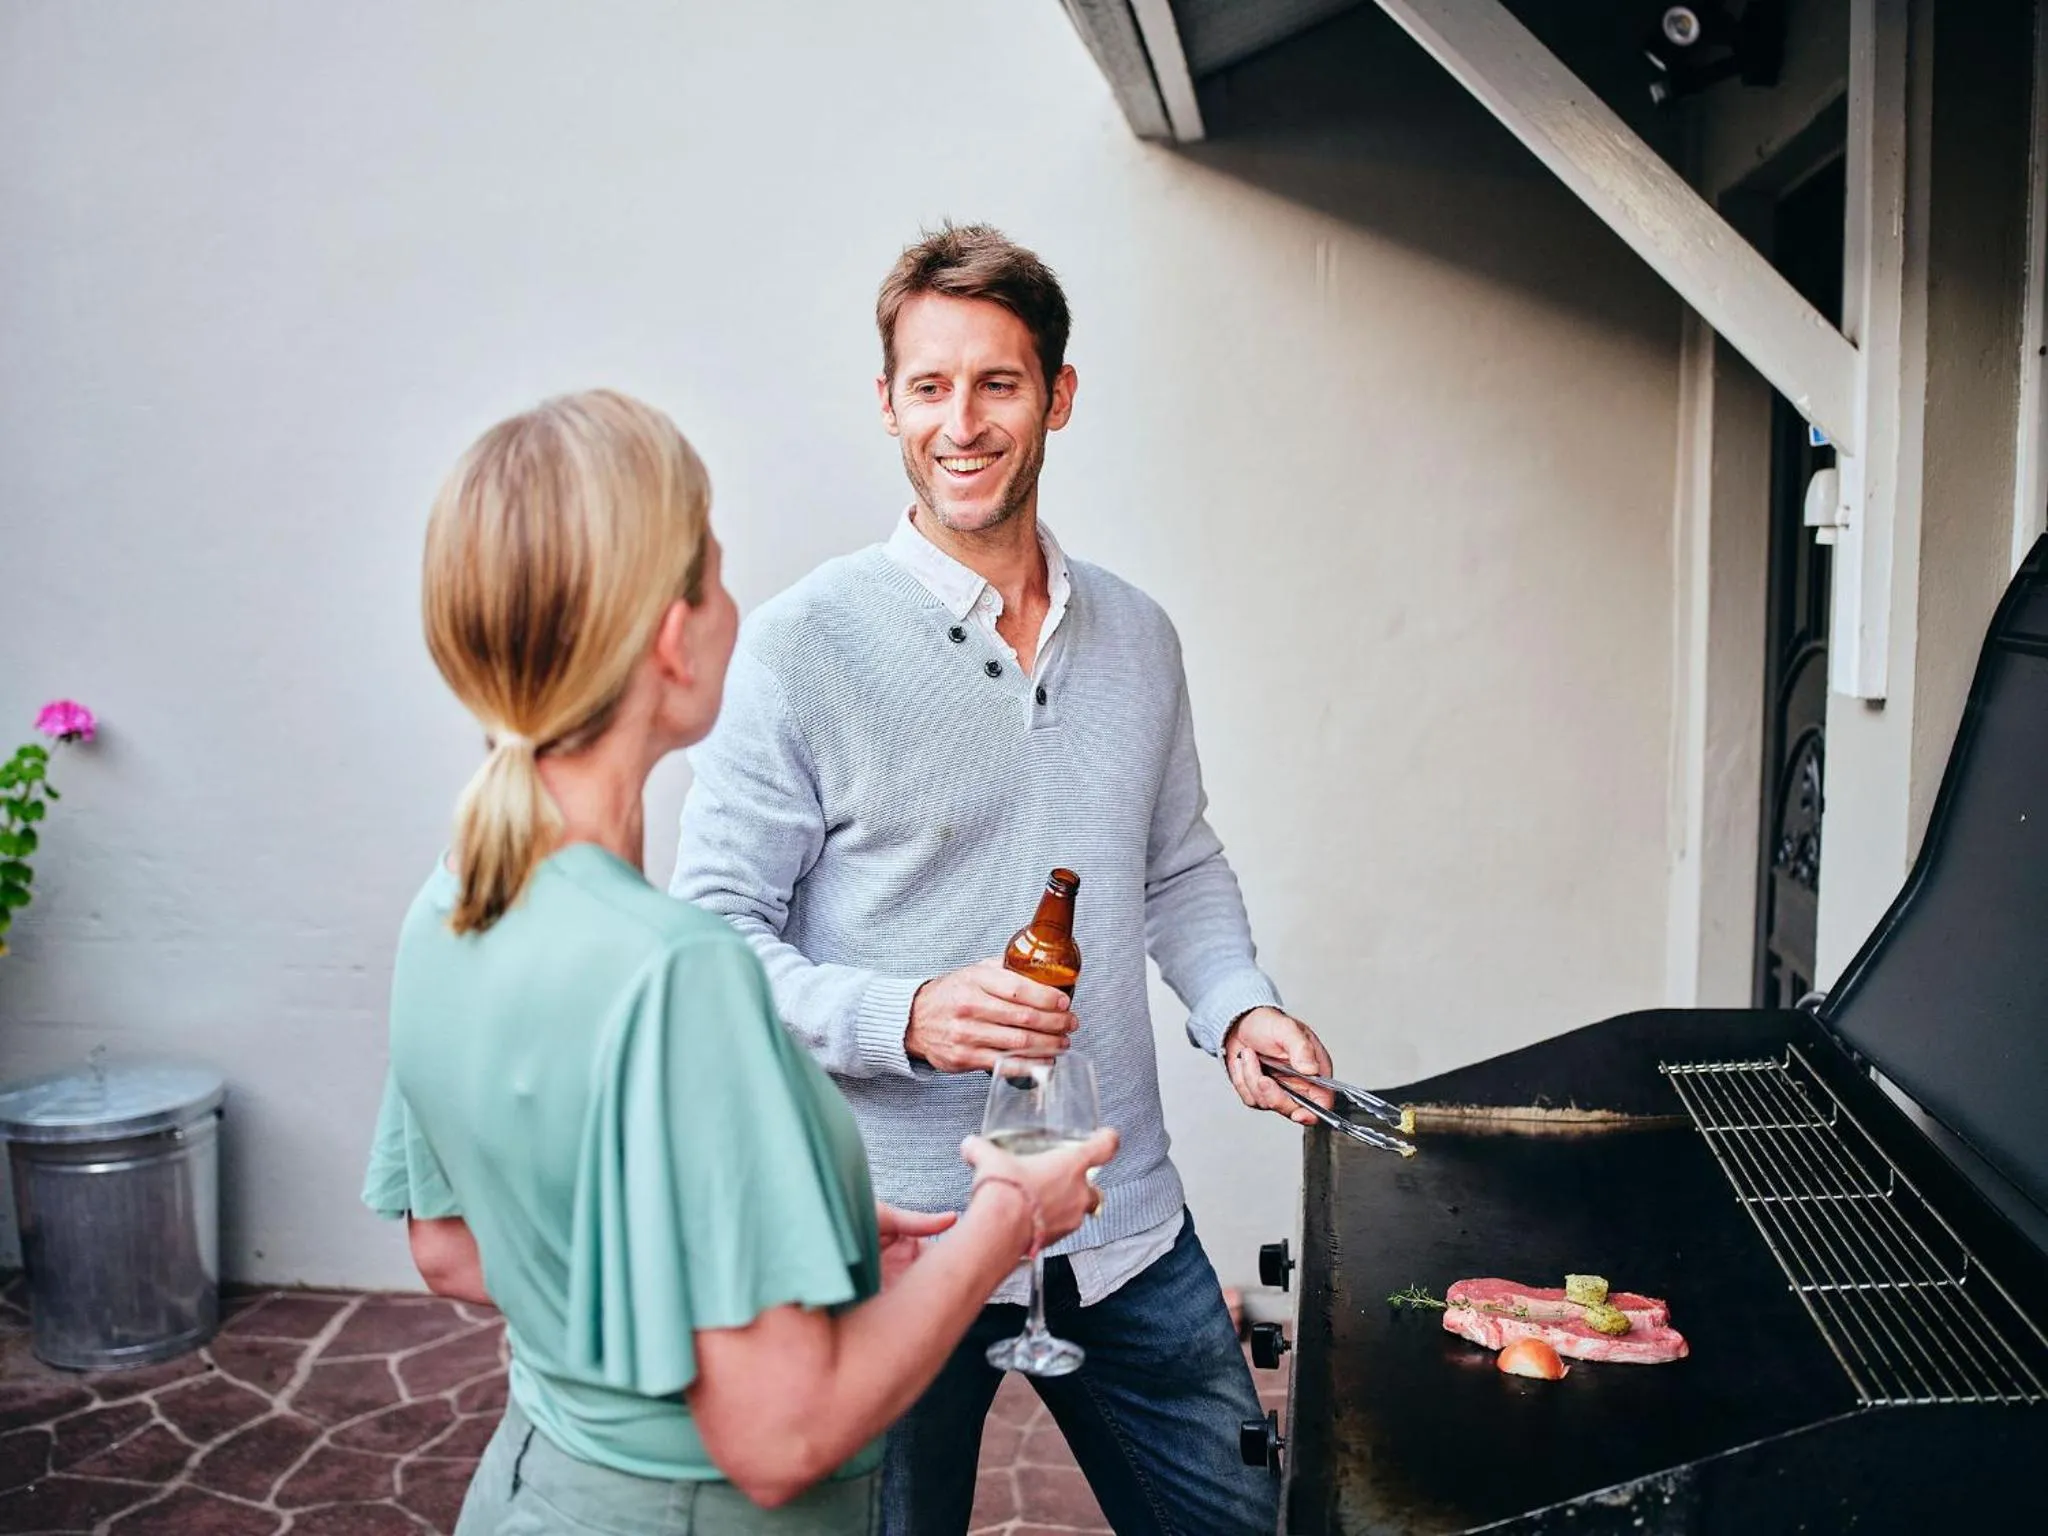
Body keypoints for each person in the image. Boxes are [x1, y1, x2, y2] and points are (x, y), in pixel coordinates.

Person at [671, 226, 1335, 1536]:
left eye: (998, 384)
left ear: (1059, 398)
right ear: (887, 405)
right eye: (930, 387)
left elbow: (1178, 861)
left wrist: (1240, 1009)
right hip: (885, 1243)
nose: (961, 424)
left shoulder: (1140, 636)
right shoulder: (804, 645)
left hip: (1116, 1208)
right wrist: (901, 1015)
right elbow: (708, 939)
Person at [361, 389, 1117, 1535]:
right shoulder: (678, 972)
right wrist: (1008, 1215)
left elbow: (456, 1249)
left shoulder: (451, 902)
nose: (731, 606)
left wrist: (776, 1251)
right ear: (672, 638)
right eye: (713, 574)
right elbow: (778, 1439)